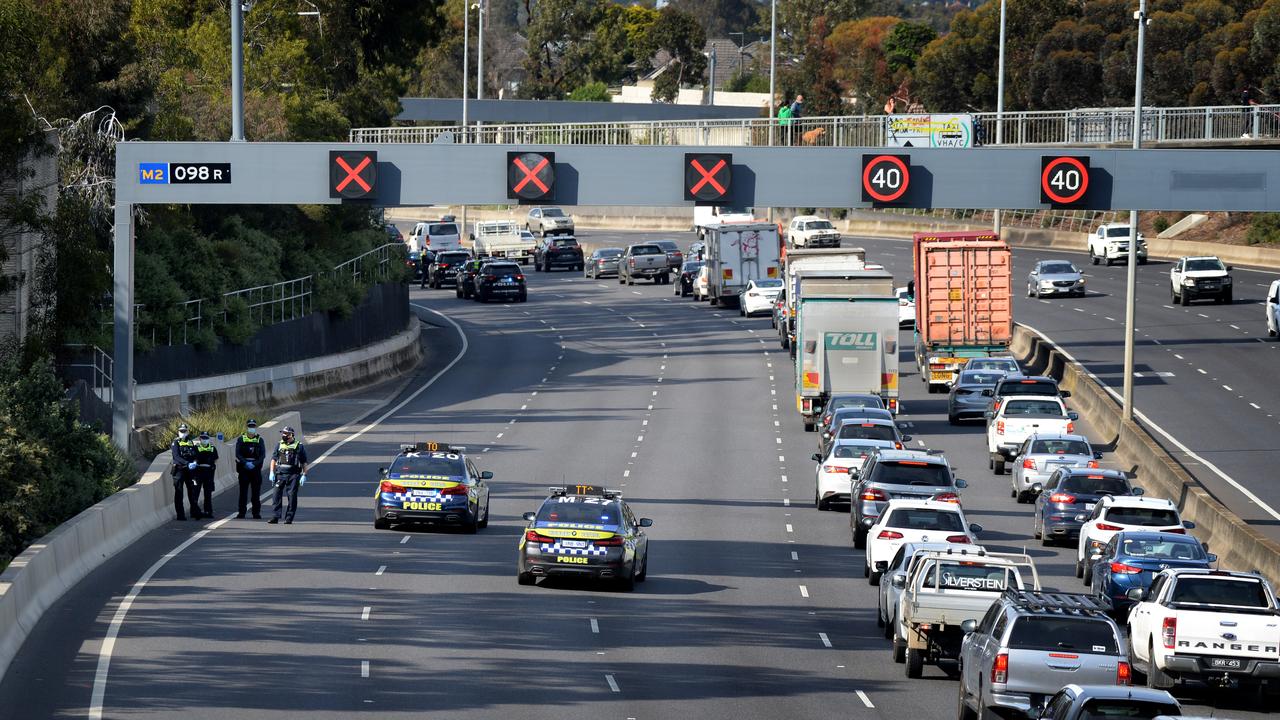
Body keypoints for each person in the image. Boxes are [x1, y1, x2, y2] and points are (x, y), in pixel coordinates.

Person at [268, 426, 308, 525]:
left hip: (294, 475)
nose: (283, 435)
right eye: (283, 433)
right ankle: (275, 516)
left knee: (292, 496)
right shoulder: (279, 445)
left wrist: (304, 474)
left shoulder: (299, 446)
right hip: (280, 474)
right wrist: (271, 472)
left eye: (285, 433)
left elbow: (304, 462)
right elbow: (273, 459)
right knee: (276, 495)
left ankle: (289, 518)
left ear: (291, 435)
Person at [235, 419, 266, 519]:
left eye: (253, 426)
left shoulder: (259, 440)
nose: (251, 428)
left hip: (255, 469)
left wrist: (254, 464)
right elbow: (238, 454)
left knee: (256, 493)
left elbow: (262, 455)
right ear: (247, 427)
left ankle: (256, 513)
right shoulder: (241, 439)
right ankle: (241, 513)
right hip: (244, 468)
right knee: (243, 493)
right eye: (250, 426)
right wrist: (245, 463)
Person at [169, 423, 202, 521]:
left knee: (192, 491)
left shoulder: (190, 442)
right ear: (178, 432)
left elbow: (195, 454)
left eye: (184, 431)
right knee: (179, 493)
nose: (183, 433)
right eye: (181, 431)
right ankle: (180, 515)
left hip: (189, 471)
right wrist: (187, 463)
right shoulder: (175, 443)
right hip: (179, 470)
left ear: (187, 432)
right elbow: (176, 456)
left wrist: (195, 462)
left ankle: (194, 512)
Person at [194, 430, 219, 518]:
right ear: (200, 439)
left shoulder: (212, 448)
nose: (204, 440)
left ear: (209, 439)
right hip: (199, 472)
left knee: (208, 493)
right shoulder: (196, 448)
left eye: (206, 438)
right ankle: (195, 511)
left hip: (209, 472)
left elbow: (216, 459)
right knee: (196, 492)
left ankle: (208, 511)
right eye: (203, 438)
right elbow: (194, 459)